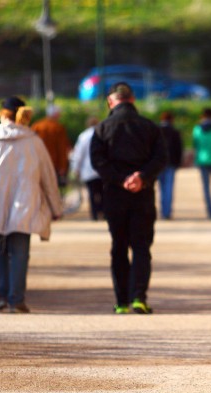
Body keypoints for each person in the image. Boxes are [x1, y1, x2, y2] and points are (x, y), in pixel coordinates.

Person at [0, 96, 63, 313]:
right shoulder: (33, 141)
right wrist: (56, 207)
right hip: (25, 204)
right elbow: (48, 176)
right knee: (20, 252)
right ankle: (17, 299)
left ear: (2, 114)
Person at [90, 82, 167, 314]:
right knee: (141, 246)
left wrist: (121, 179)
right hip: (142, 195)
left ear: (111, 102)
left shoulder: (102, 128)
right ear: (132, 100)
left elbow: (98, 162)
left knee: (119, 246)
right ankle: (139, 297)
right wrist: (141, 177)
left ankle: (121, 301)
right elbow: (161, 158)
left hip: (115, 194)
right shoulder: (150, 127)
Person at [31, 104, 72, 190]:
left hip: (38, 162)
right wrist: (63, 167)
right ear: (56, 114)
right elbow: (62, 149)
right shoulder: (58, 128)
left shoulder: (37, 126)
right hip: (53, 164)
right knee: (51, 191)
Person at [70, 116, 103, 220]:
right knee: (103, 193)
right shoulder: (102, 134)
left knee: (92, 194)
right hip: (102, 170)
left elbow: (78, 154)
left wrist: (76, 169)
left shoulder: (83, 136)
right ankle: (103, 213)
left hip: (88, 171)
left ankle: (94, 215)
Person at [157, 111, 184, 220]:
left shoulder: (156, 131)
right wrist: (178, 162)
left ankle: (162, 210)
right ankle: (167, 211)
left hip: (158, 163)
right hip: (171, 163)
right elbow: (179, 149)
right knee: (169, 188)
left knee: (160, 188)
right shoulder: (175, 132)